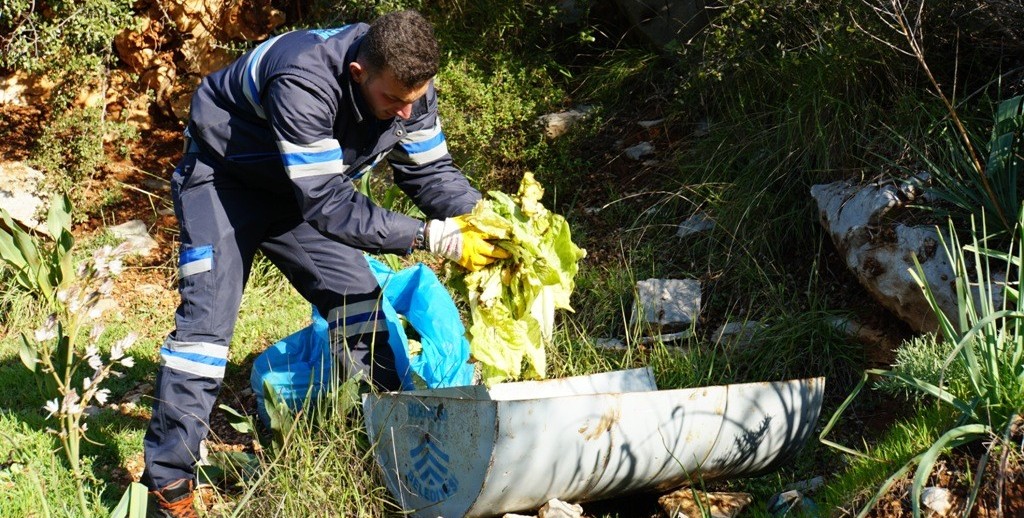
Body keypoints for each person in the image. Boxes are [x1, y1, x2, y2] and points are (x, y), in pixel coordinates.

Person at [142, 10, 508, 517]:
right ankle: (169, 487)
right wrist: (425, 235)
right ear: (359, 74)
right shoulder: (303, 77)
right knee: (204, 334)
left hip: (297, 193)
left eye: (415, 100)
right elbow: (329, 204)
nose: (407, 113)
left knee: (361, 305)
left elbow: (431, 175)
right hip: (225, 183)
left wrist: (485, 222)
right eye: (395, 101)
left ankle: (391, 452)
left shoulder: (407, 84)